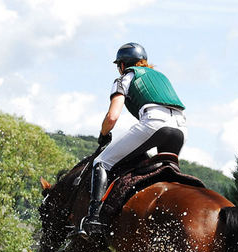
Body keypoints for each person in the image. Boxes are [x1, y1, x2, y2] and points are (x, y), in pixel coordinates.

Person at [76, 42, 187, 237]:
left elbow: (112, 117)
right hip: (180, 128)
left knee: (102, 162)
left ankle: (93, 219)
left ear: (122, 65)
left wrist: (103, 135)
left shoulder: (126, 77)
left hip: (155, 122)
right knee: (164, 174)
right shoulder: (162, 77)